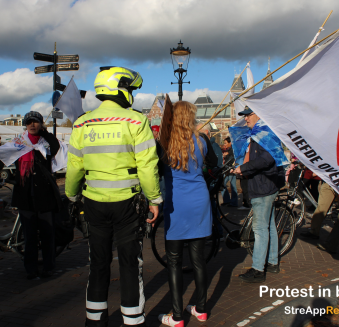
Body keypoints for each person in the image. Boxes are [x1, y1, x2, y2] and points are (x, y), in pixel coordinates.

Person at [65, 66, 161, 327]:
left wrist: (71, 196)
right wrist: (154, 200)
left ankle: (95, 321)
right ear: (120, 89)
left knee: (97, 262)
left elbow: (74, 165)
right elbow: (147, 166)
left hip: (93, 203)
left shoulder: (82, 122)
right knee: (131, 264)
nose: (130, 93)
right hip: (127, 204)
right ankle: (132, 320)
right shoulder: (135, 121)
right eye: (130, 88)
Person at [0, 111, 60, 279]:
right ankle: (30, 269)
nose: (32, 125)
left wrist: (45, 132)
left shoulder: (46, 143)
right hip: (25, 196)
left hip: (45, 196)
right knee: (29, 236)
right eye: (29, 122)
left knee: (47, 234)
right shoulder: (19, 143)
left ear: (41, 124)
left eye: (35, 122)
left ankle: (48, 266)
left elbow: (57, 147)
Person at [157, 101, 212, 326]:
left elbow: (158, 171)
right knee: (198, 260)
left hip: (176, 205)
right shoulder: (202, 141)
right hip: (200, 201)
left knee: (174, 261)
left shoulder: (165, 144)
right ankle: (200, 308)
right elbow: (213, 163)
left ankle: (177, 316)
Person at [231, 107, 288, 283]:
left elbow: (266, 159)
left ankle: (257, 269)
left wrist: (243, 168)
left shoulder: (264, 134)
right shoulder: (259, 133)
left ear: (258, 114)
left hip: (262, 186)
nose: (245, 119)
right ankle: (271, 262)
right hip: (266, 185)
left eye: (248, 115)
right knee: (268, 225)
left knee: (260, 228)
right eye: (245, 116)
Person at [221, 137, 238, 207]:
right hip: (228, 169)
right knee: (225, 185)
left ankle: (232, 202)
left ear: (230, 143)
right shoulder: (229, 150)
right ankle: (229, 201)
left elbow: (232, 159)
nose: (224, 144)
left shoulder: (232, 150)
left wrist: (226, 155)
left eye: (225, 143)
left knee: (229, 185)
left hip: (230, 169)